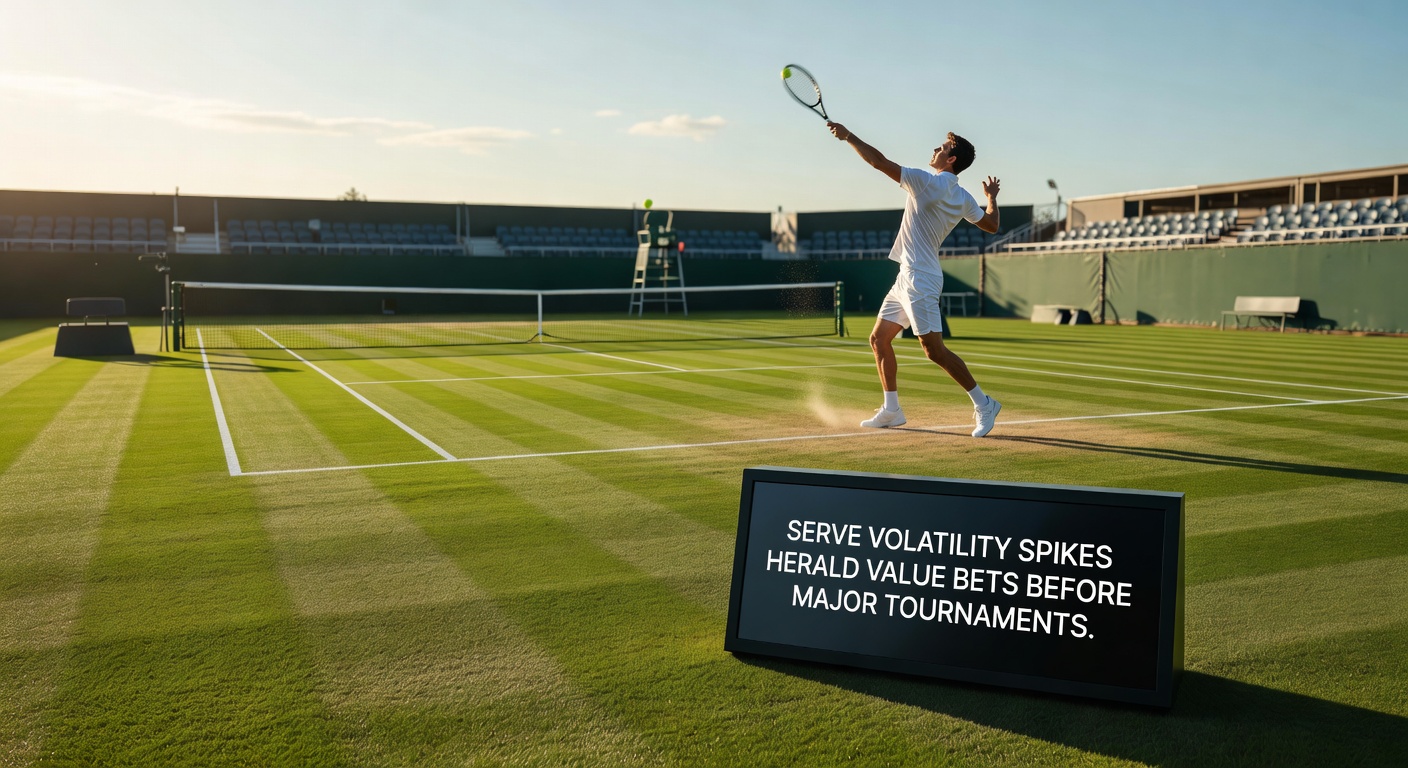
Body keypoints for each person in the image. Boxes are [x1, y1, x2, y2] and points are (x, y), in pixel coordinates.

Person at [827, 121, 1002, 437]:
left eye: (943, 148)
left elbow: (878, 162)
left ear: (950, 160)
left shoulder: (925, 182)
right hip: (908, 275)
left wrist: (849, 136)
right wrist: (991, 196)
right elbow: (991, 225)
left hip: (921, 278)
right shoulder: (961, 195)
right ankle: (892, 410)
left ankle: (984, 403)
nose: (936, 149)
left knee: (934, 350)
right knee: (879, 339)